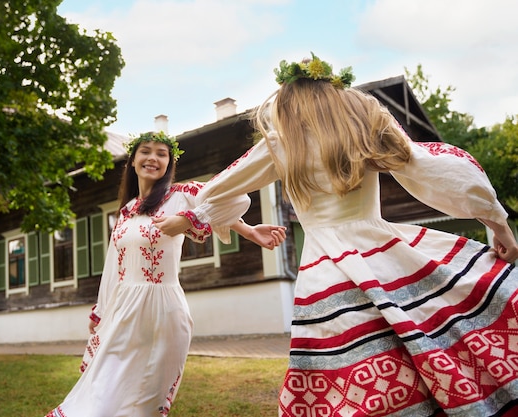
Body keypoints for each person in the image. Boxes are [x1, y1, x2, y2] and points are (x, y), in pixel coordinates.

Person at [154, 54, 518, 416]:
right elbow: (433, 168)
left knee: (350, 380)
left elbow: (216, 190)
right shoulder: (365, 124)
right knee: (429, 338)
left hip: (327, 273)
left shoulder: (282, 144)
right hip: (386, 255)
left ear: (288, 102)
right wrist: (497, 221)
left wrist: (197, 218)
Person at [44, 131, 286, 417]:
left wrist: (207, 222)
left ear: (169, 162)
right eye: (146, 151)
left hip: (163, 311)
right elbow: (114, 267)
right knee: (100, 393)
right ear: (132, 160)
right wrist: (101, 310)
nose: (153, 158)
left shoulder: (182, 196)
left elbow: (235, 199)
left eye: (162, 153)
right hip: (124, 310)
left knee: (143, 402)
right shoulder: (126, 212)